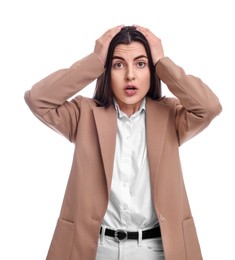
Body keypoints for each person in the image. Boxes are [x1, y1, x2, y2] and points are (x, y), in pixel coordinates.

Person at [24, 25, 222, 260]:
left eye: (141, 64)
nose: (130, 75)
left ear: (152, 69)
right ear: (107, 71)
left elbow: (209, 108)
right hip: (95, 249)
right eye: (118, 64)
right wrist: (94, 61)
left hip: (157, 250)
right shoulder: (84, 114)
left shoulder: (171, 116)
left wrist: (163, 62)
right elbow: (37, 99)